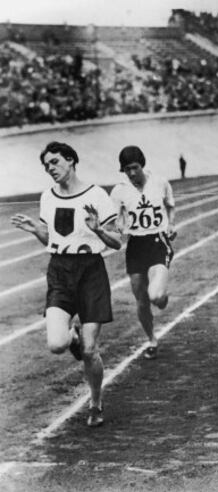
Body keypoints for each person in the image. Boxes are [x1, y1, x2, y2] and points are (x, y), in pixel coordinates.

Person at [11, 141, 121, 427]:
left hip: (90, 273)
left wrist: (98, 229)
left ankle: (95, 402)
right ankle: (72, 336)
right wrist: (37, 230)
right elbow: (52, 240)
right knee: (57, 344)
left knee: (89, 351)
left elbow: (117, 241)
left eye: (55, 162)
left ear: (71, 160)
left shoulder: (97, 194)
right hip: (59, 271)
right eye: (47, 165)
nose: (51, 169)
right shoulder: (47, 197)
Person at [110, 146, 176, 359]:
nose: (131, 173)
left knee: (155, 295)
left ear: (142, 164)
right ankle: (151, 339)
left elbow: (170, 206)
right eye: (126, 169)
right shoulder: (119, 191)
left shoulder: (160, 182)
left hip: (158, 241)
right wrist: (120, 226)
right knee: (141, 298)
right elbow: (116, 218)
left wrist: (171, 225)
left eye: (134, 168)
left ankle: (162, 297)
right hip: (136, 246)